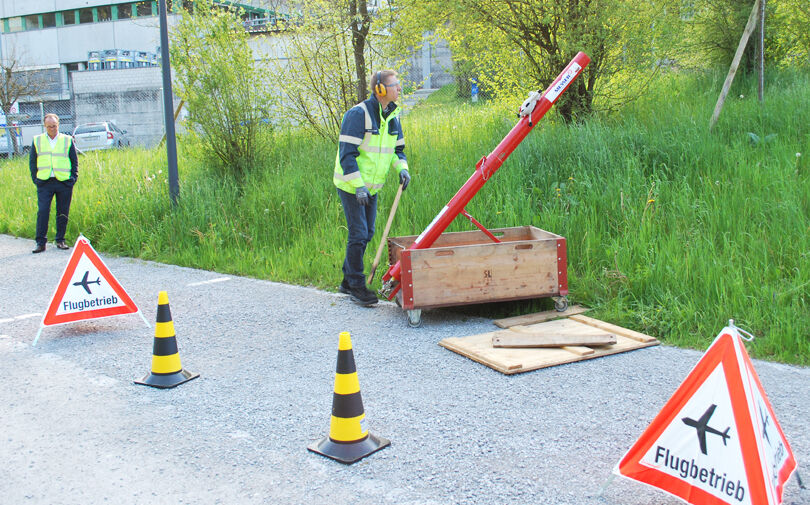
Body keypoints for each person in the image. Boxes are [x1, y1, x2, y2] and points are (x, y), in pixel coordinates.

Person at [333, 69, 411, 306]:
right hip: (351, 185)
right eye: (395, 84)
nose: (399, 88)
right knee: (358, 233)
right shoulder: (358, 115)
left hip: (372, 187)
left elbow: (398, 151)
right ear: (380, 89)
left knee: (367, 233)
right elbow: (347, 155)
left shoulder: (393, 117)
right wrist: (358, 186)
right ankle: (357, 285)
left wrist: (403, 169)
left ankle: (347, 281)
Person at [30, 113, 79, 253]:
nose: (52, 129)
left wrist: (73, 178)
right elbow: (33, 162)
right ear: (45, 126)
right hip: (44, 182)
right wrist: (36, 179)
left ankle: (60, 240)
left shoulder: (67, 140)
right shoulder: (37, 140)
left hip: (64, 182)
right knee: (43, 211)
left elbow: (74, 161)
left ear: (58, 125)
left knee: (63, 212)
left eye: (55, 126)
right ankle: (40, 242)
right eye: (49, 126)